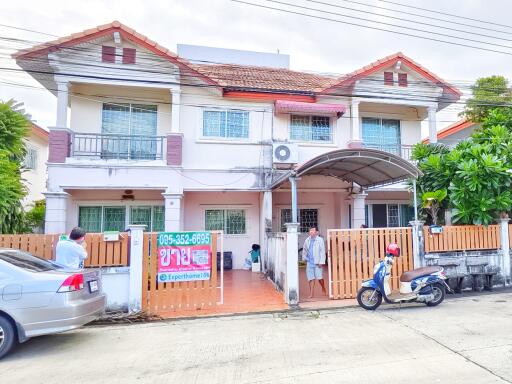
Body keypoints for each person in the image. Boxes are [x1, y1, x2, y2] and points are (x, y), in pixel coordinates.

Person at [302, 227, 327, 298]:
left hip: (317, 262)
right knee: (311, 278)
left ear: (316, 232)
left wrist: (321, 262)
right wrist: (305, 258)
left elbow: (322, 251)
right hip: (310, 262)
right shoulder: (307, 240)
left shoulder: (320, 240)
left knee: (319, 278)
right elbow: (304, 250)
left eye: (313, 230)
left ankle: (323, 287)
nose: (311, 232)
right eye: (310, 230)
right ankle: (311, 293)